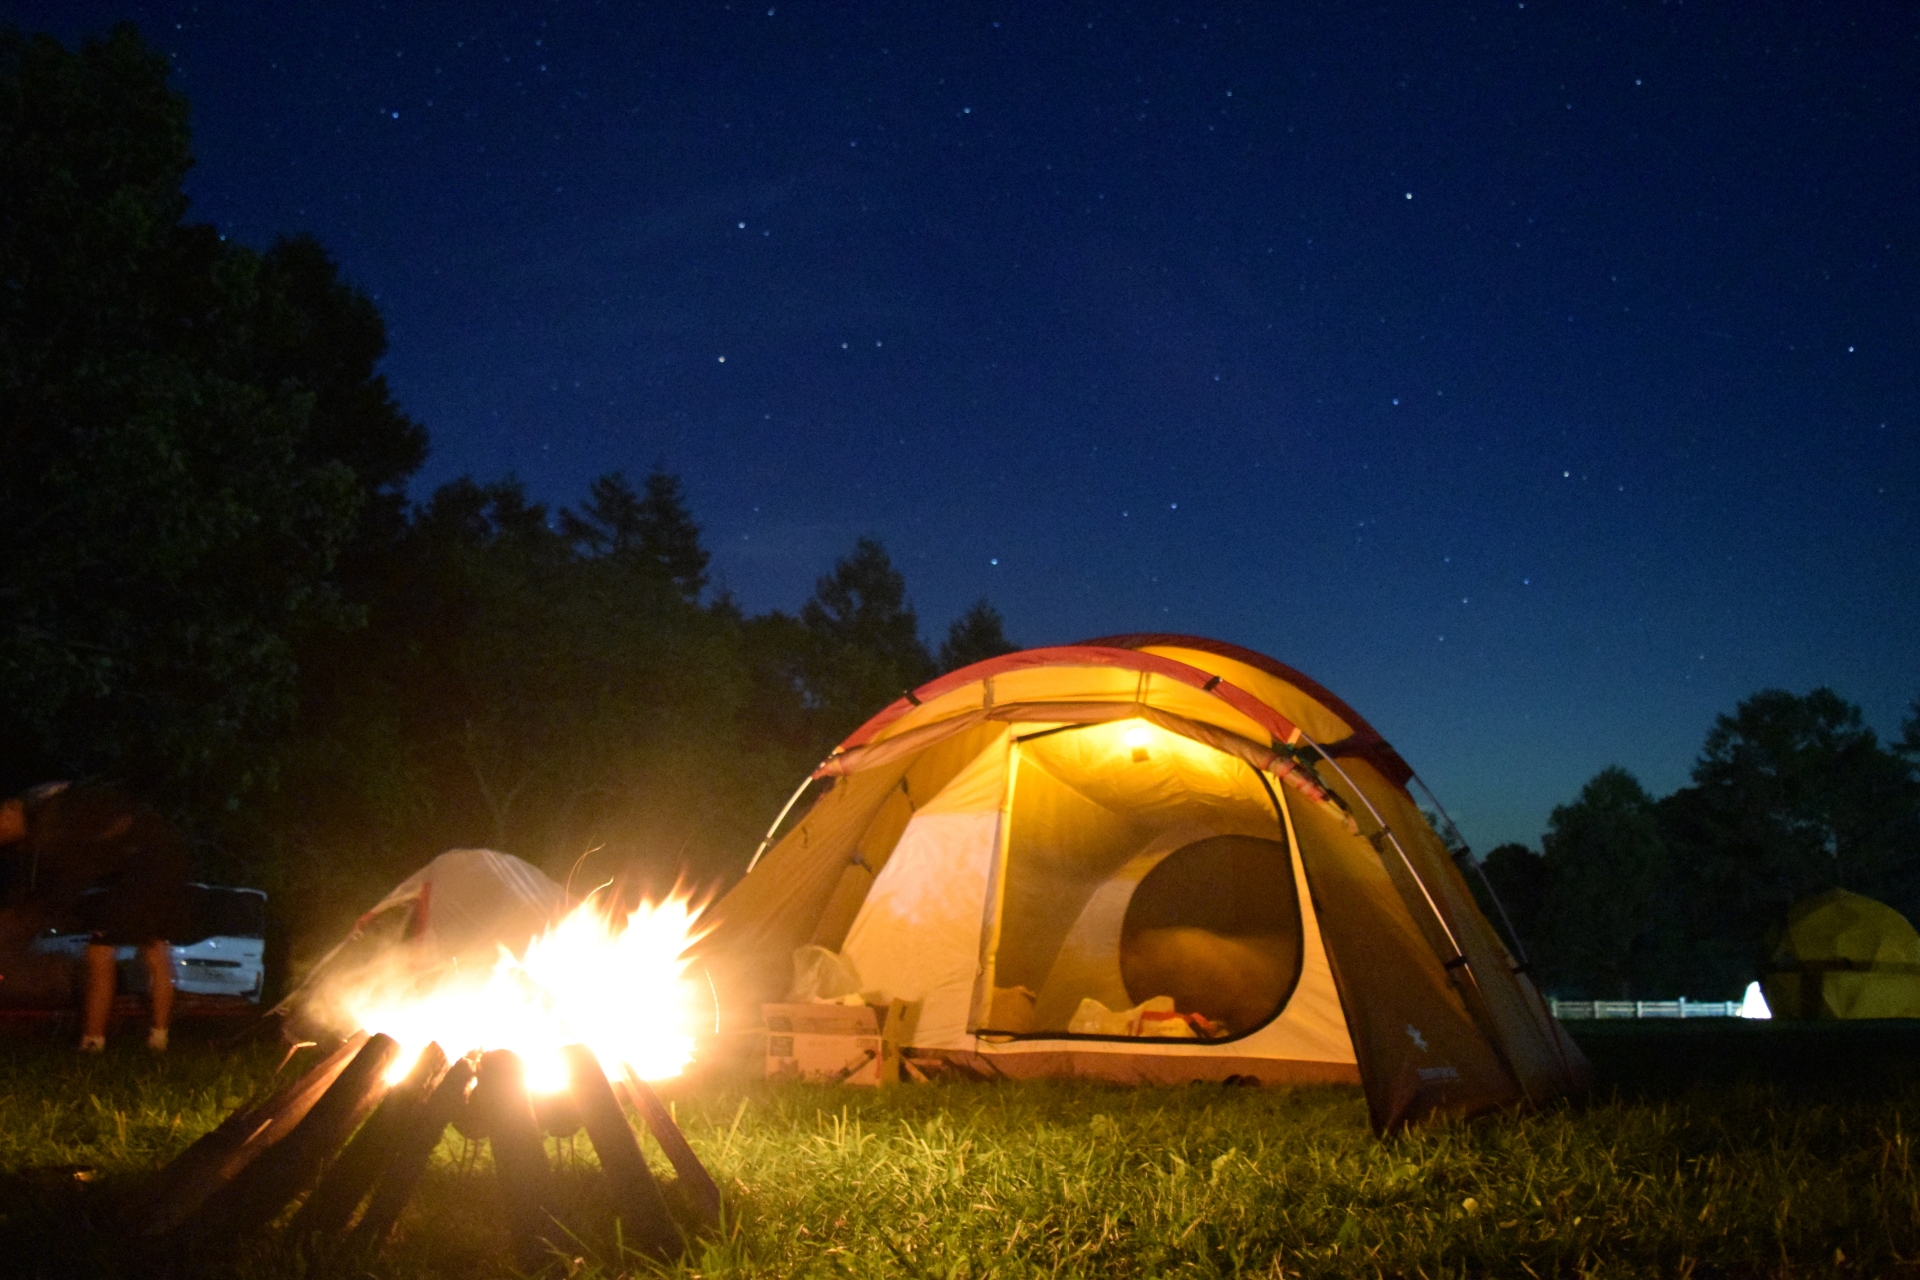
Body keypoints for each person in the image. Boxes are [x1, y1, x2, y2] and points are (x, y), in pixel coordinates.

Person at [0, 783, 191, 1051]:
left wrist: (35, 916)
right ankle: (159, 1038)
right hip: (161, 853)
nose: (7, 837)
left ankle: (92, 1041)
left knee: (100, 951)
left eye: (4, 830)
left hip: (141, 859)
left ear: (8, 810)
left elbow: (69, 875)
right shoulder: (41, 803)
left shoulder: (49, 821)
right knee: (155, 946)